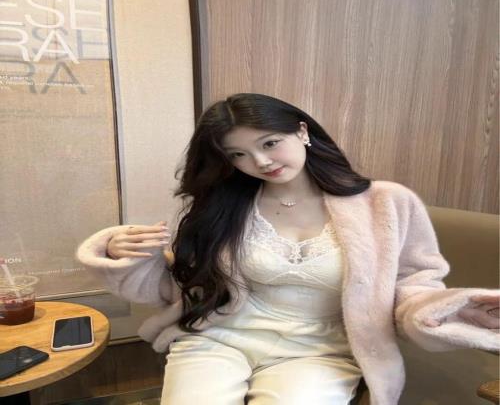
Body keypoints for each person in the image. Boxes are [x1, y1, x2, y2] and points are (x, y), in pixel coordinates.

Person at [77, 93, 499, 405]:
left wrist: (446, 310)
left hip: (320, 349)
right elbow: (182, 287)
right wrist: (125, 255)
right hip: (219, 338)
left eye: (269, 143)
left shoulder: (386, 203)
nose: (260, 162)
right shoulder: (226, 206)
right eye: (239, 154)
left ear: (301, 131)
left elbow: (412, 284)